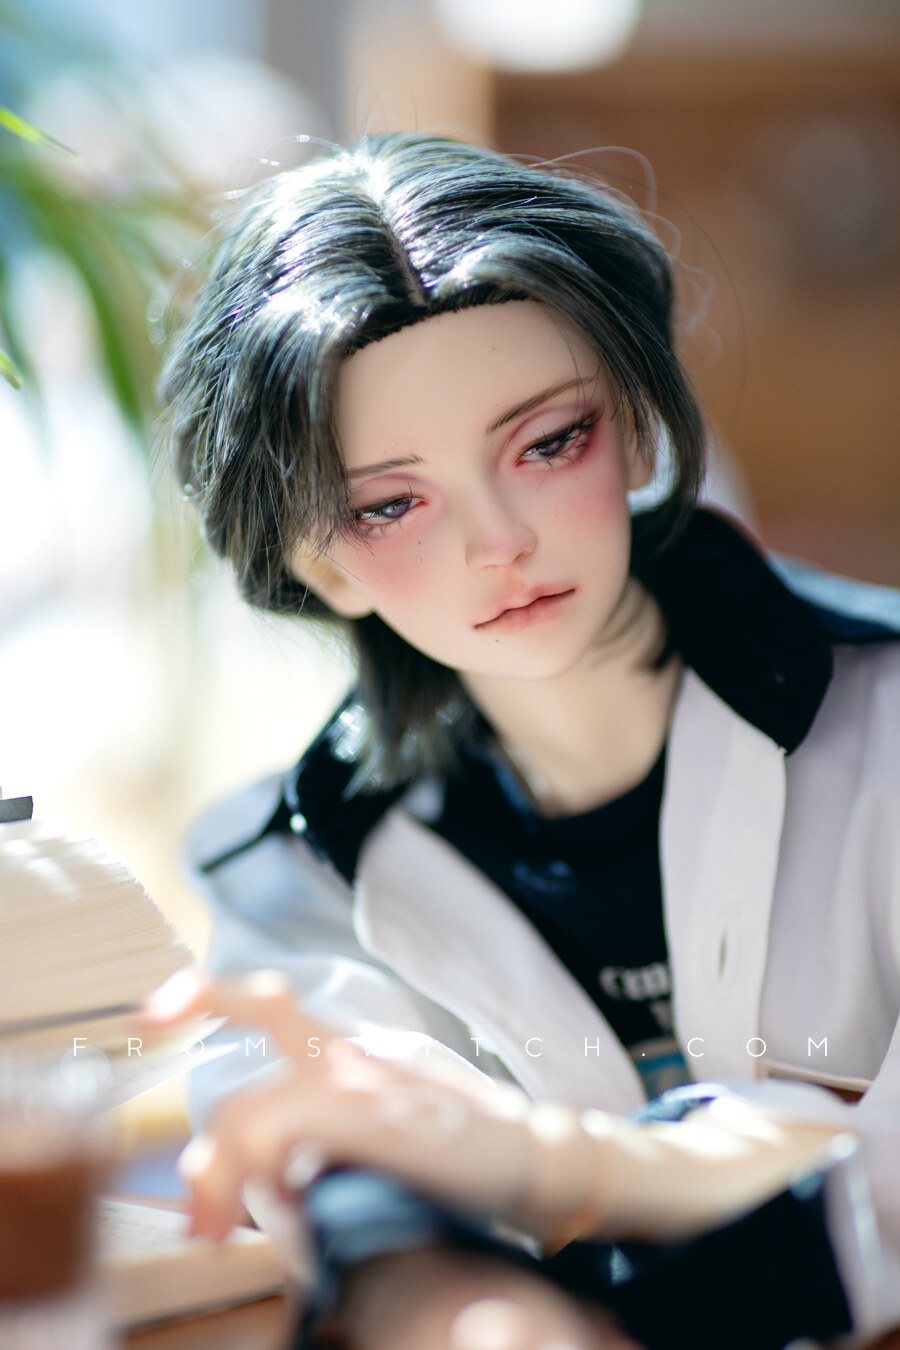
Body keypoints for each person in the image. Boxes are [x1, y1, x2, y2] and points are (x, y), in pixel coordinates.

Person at [157, 132, 900, 1346]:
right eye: (390, 504)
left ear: (639, 428)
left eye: (549, 442)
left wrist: (552, 1170)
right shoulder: (290, 872)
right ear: (313, 561)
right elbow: (350, 1185)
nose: (496, 541)